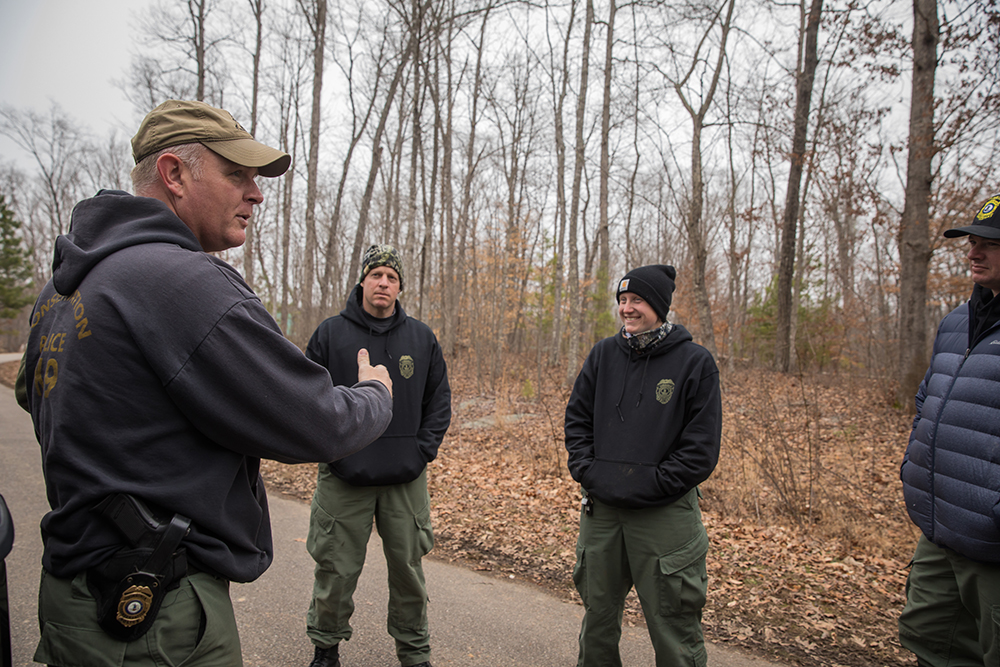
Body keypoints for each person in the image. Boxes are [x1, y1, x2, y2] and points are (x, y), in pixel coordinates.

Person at [15, 99, 394, 667]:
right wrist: (375, 395)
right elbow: (315, 420)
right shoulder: (182, 282)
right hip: (150, 616)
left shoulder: (63, 288)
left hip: (72, 595)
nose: (257, 194)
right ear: (173, 174)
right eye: (237, 174)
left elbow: (31, 392)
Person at [564, 264, 722, 667]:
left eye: (637, 300)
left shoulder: (695, 363)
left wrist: (651, 483)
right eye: (622, 300)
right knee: (597, 621)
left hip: (664, 517)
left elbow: (700, 449)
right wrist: (589, 471)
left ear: (658, 305)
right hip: (602, 515)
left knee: (674, 629)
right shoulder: (603, 355)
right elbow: (577, 420)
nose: (627, 309)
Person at [303, 244, 451, 667]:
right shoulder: (331, 334)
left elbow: (439, 401)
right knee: (335, 568)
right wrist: (331, 449)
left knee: (409, 573)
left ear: (400, 286)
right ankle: (325, 648)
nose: (383, 283)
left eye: (391, 277)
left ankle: (414, 653)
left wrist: (421, 451)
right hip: (345, 475)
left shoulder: (421, 338)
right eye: (376, 275)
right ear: (362, 281)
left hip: (405, 480)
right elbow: (308, 398)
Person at [899, 193, 1000, 667]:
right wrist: (914, 468)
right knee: (930, 646)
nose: (974, 252)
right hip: (939, 526)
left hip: (991, 544)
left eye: (990, 244)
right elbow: (928, 399)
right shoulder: (957, 321)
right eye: (972, 241)